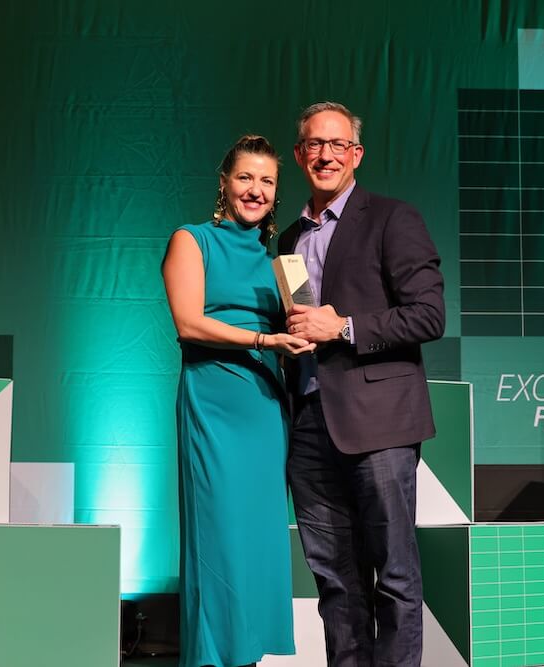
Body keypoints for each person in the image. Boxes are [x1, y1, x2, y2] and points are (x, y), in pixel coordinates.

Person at [278, 102, 445, 666]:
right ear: (300, 155)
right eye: (314, 145)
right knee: (336, 583)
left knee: (393, 575)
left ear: (356, 154)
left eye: (338, 144)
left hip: (379, 424)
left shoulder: (392, 218)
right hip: (307, 424)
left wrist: (343, 326)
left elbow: (429, 315)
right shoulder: (288, 237)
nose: (326, 155)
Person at [163, 135, 313, 667]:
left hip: (265, 409)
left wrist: (303, 334)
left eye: (267, 181)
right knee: (218, 537)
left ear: (276, 195)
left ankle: (247, 656)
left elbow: (301, 331)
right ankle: (210, 657)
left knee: (258, 542)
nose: (256, 189)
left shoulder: (283, 262)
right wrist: (265, 341)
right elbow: (188, 322)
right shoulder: (192, 239)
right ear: (224, 183)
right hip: (215, 402)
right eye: (245, 177)